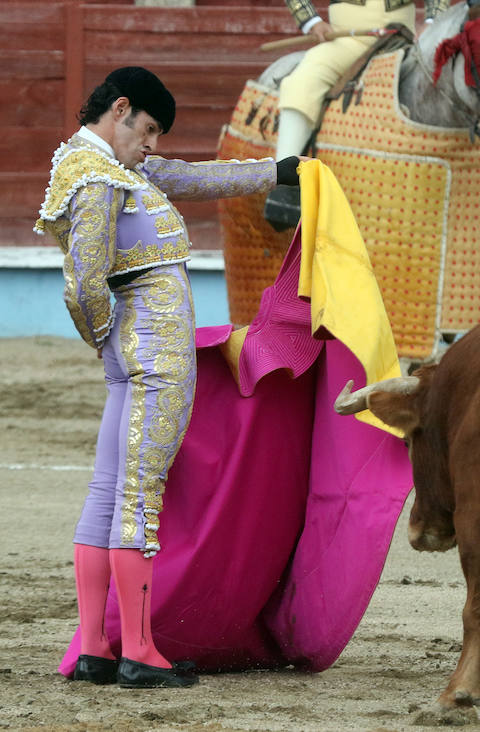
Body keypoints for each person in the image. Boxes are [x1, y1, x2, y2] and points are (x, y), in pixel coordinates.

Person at [34, 66, 304, 689]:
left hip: (134, 358)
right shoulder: (100, 176)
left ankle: (100, 648)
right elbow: (83, 283)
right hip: (152, 358)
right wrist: (111, 342)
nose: (152, 144)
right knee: (138, 495)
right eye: (148, 129)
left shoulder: (112, 166)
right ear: (120, 108)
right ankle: (139, 650)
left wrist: (277, 169)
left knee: (108, 493)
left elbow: (192, 174)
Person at [266, 0, 450, 229]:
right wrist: (311, 22)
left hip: (401, 41)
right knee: (301, 81)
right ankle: (284, 181)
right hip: (344, 38)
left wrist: (431, 23)